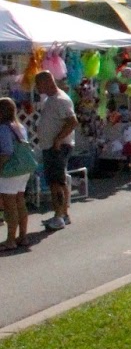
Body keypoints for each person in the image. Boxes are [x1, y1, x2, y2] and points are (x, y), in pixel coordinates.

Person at [33, 71, 78, 231]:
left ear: (47, 82)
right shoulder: (51, 99)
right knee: (59, 180)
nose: (36, 87)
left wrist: (58, 139)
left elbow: (72, 122)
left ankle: (59, 216)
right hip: (51, 146)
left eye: (38, 84)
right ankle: (63, 213)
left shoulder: (60, 100)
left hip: (57, 147)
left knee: (55, 182)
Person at [0, 98, 34, 251]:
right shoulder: (19, 127)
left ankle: (10, 240)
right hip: (24, 168)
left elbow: (7, 152)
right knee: (20, 201)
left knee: (9, 205)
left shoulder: (3, 128)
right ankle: (23, 236)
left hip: (10, 170)